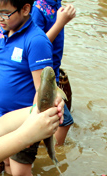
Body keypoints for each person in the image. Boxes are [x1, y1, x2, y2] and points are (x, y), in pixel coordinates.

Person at [0, 0, 54, 176]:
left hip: (22, 121)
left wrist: (34, 124)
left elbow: (41, 91)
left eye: (6, 13)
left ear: (26, 9)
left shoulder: (36, 41)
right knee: (8, 163)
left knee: (20, 174)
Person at [31, 0, 76, 145]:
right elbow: (38, 44)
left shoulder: (55, 3)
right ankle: (53, 149)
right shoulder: (37, 9)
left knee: (51, 114)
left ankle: (47, 145)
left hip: (53, 70)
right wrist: (61, 22)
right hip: (42, 73)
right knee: (65, 120)